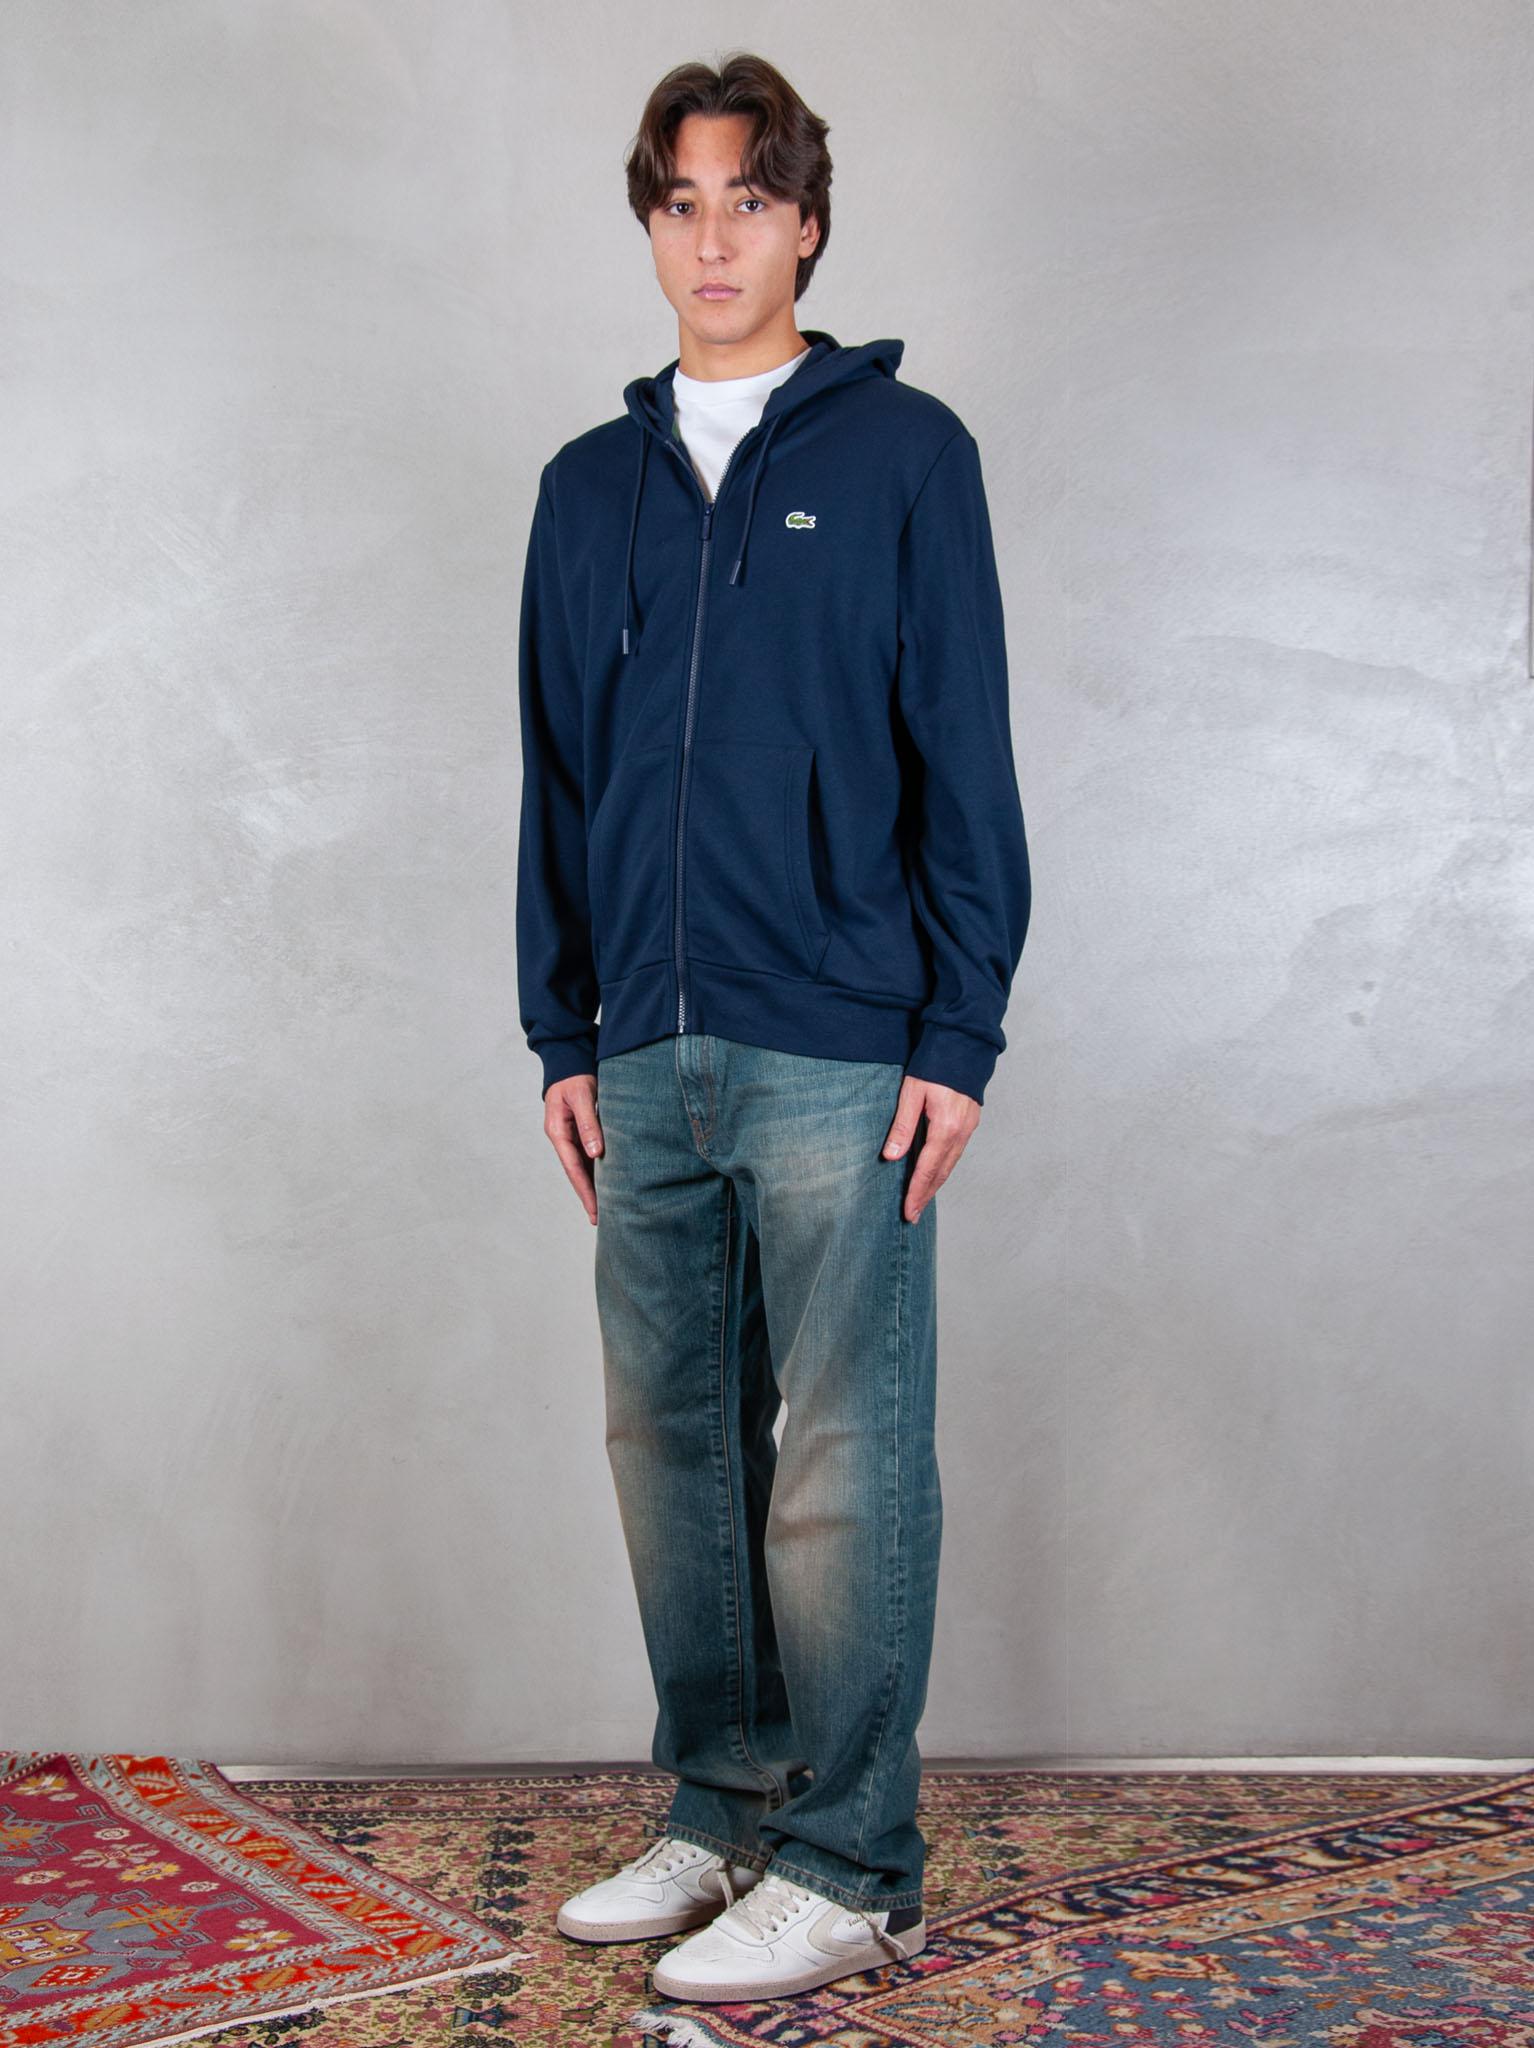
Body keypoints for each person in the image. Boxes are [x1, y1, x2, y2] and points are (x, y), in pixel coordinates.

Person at [516, 51, 1031, 2006]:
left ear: (806, 223)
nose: (712, 237)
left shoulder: (904, 458)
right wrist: (558, 1032)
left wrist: (957, 1031)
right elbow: (559, 778)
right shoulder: (587, 490)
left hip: (837, 1033)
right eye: (680, 201)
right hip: (642, 1048)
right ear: (647, 224)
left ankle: (853, 1859)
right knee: (670, 1442)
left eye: (748, 200)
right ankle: (724, 1805)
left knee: (839, 1459)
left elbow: (959, 751)